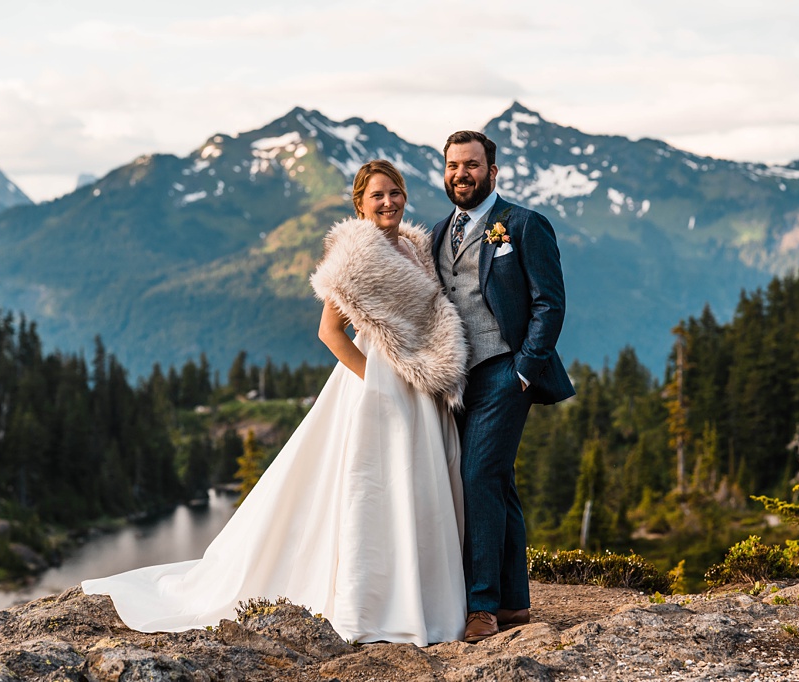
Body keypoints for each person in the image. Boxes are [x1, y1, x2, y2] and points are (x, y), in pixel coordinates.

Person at [82, 160, 469, 646]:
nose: (388, 202)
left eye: (395, 192)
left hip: (420, 385)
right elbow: (329, 332)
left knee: (417, 485)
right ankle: (375, 603)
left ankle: (422, 595)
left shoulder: (415, 249)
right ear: (360, 204)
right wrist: (375, 380)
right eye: (377, 196)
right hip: (379, 387)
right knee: (376, 486)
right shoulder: (355, 255)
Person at [431, 131, 576, 643]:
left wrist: (524, 368)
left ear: (492, 172)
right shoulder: (436, 231)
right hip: (454, 376)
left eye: (471, 165)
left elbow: (549, 302)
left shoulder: (523, 225)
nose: (460, 174)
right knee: (497, 482)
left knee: (477, 478)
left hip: (502, 370)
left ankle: (483, 607)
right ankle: (515, 603)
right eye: (452, 165)